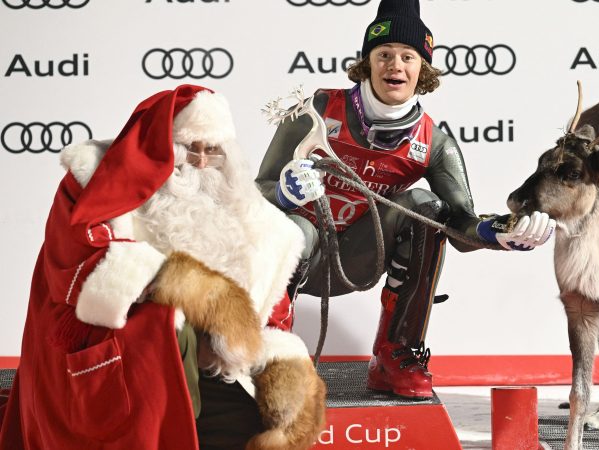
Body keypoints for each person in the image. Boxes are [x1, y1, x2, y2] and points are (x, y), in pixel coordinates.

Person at [256, 0, 556, 400]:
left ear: (422, 70)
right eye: (383, 55)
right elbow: (258, 191)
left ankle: (394, 353)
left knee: (426, 207)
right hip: (299, 252)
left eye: (407, 56)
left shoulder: (435, 143)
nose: (394, 65)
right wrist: (281, 191)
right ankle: (275, 356)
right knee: (294, 225)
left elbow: (460, 225)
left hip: (360, 258)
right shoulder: (316, 111)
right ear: (367, 63)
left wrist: (498, 232)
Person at [0, 85, 324, 450]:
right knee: (167, 322)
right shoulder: (94, 187)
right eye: (189, 149)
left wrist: (285, 375)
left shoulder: (261, 225)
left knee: (257, 423)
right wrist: (202, 291)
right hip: (126, 367)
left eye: (213, 150)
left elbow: (268, 320)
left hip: (214, 371)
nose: (201, 162)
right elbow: (78, 273)